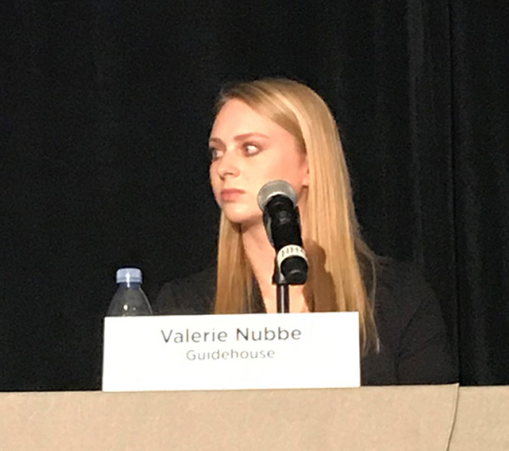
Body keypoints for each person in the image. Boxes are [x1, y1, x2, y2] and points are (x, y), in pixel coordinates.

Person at [154, 78, 458, 385]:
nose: (224, 168)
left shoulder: (396, 299)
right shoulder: (184, 307)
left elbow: (433, 423)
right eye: (216, 152)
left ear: (310, 166)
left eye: (249, 148)